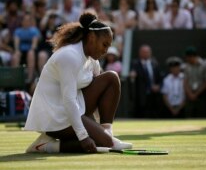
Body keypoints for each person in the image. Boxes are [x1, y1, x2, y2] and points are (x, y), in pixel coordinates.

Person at [24, 11, 132, 154]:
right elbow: (68, 100)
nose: (106, 51)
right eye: (104, 44)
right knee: (101, 143)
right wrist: (83, 136)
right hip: (54, 117)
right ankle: (43, 146)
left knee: (111, 77)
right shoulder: (69, 56)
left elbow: (98, 96)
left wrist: (101, 133)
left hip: (74, 109)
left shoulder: (93, 60)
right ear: (92, 37)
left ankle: (108, 134)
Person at [130, 44, 163, 118]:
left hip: (154, 94)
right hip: (141, 95)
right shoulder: (135, 63)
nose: (146, 54)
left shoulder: (155, 63)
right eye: (144, 52)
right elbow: (132, 73)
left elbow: (160, 77)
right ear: (140, 53)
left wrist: (158, 86)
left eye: (147, 52)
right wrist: (132, 74)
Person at [183, 46, 206, 118]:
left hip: (202, 94)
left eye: (188, 57)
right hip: (189, 95)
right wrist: (190, 94)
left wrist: (196, 94)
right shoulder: (186, 66)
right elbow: (185, 82)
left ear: (192, 56)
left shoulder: (205, 64)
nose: (186, 59)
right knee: (188, 114)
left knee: (202, 114)